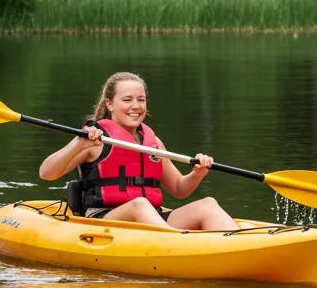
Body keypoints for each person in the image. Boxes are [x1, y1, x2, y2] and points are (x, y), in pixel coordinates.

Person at [38, 71, 238, 230]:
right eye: (127, 100)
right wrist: (79, 143)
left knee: (208, 204)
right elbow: (46, 173)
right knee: (140, 204)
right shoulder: (95, 140)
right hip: (104, 219)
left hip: (150, 218)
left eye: (141, 100)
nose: (136, 106)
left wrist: (197, 173)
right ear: (109, 104)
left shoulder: (153, 143)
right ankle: (180, 245)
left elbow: (178, 189)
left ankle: (237, 247)